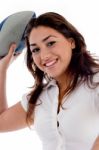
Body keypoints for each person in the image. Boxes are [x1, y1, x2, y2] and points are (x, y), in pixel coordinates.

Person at [0, 12, 99, 150]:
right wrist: (1, 69)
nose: (44, 55)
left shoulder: (96, 82)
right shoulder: (41, 97)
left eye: (51, 43)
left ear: (72, 42)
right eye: (35, 50)